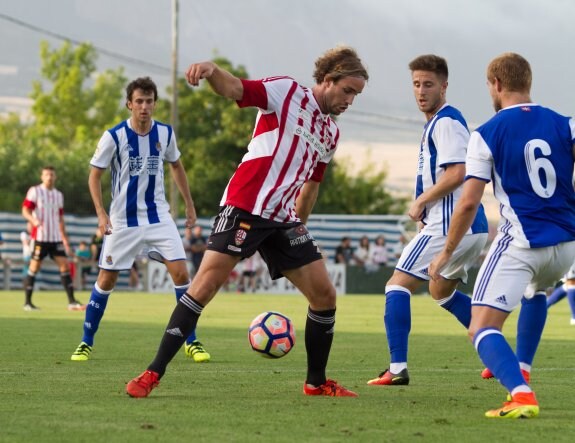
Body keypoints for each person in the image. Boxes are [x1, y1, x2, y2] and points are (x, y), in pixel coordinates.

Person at [125, 46, 369, 398]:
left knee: (325, 295)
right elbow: (236, 89)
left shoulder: (330, 133)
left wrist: (300, 228)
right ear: (328, 80)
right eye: (348, 91)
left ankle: (316, 383)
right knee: (204, 287)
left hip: (283, 218)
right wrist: (211, 71)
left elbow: (312, 186)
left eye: (356, 95)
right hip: (245, 206)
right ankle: (151, 373)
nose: (350, 101)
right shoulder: (286, 92)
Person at [429, 52, 575, 419]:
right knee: (536, 291)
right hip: (565, 245)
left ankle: (520, 393)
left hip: (522, 242)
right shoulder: (567, 124)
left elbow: (467, 203)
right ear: (528, 81)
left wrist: (445, 254)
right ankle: (521, 366)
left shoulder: (487, 133)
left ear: (495, 84)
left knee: (480, 327)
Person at [367, 55, 488, 387]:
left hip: (450, 226)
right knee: (441, 291)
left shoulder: (446, 121)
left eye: (429, 84)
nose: (421, 91)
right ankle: (495, 353)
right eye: (417, 84)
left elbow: (459, 172)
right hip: (470, 229)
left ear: (444, 86)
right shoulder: (436, 122)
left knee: (396, 284)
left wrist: (422, 200)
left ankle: (396, 369)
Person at [70, 77, 210, 363]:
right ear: (129, 104)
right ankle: (86, 341)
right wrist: (101, 212)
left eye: (149, 101)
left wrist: (189, 204)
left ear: (155, 104)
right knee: (106, 279)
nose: (144, 107)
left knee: (183, 275)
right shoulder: (114, 136)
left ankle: (191, 341)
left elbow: (177, 166)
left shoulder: (166, 134)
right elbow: (94, 175)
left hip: (159, 216)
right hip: (123, 221)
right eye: (139, 102)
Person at [21, 166, 85, 311]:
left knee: (65, 266)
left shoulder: (58, 195)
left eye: (52, 175)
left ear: (55, 177)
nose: (49, 177)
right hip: (40, 238)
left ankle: (72, 301)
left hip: (55, 238)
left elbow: (60, 218)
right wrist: (33, 220)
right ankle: (27, 303)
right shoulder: (35, 191)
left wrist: (64, 238)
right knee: (34, 267)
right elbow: (25, 210)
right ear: (42, 177)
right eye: (46, 174)